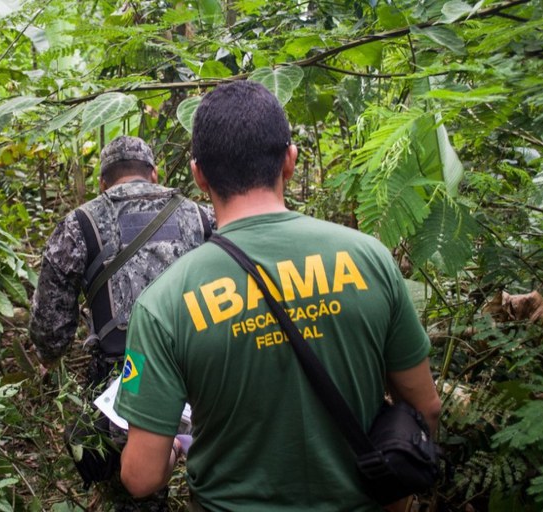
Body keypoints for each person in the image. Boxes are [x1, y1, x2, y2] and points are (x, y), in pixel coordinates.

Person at [114, 81, 442, 511]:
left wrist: (177, 446)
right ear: (290, 160)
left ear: (199, 175)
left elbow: (141, 477)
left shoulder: (163, 304)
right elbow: (426, 408)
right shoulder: (369, 259)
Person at [29, 135, 214, 509]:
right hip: (203, 373)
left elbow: (49, 333)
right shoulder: (202, 216)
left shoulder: (79, 224)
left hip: (125, 382)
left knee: (126, 485)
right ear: (154, 174)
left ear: (102, 183)